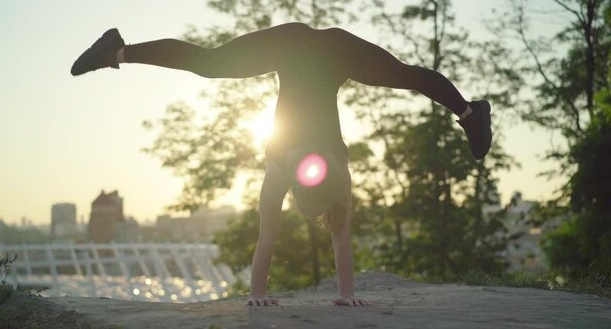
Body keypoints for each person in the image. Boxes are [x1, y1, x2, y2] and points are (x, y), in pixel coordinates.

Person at [71, 22, 491, 306]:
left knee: (406, 76)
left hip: (308, 49)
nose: (309, 216)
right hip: (328, 51)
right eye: (311, 213)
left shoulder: (284, 165)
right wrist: (338, 295)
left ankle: (118, 50)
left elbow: (272, 235)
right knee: (212, 63)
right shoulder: (309, 170)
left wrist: (266, 295)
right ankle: (470, 113)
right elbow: (329, 240)